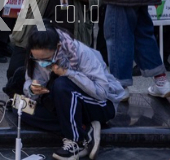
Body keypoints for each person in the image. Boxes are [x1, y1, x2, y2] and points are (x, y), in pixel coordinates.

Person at [21, 26, 125, 160]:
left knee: (61, 84)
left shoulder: (81, 52)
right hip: (64, 104)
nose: (42, 63)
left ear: (58, 47)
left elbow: (102, 92)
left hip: (100, 104)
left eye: (46, 59)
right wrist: (32, 89)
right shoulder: (37, 57)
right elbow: (31, 81)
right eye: (37, 59)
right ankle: (85, 129)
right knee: (21, 107)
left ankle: (75, 141)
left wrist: (68, 73)